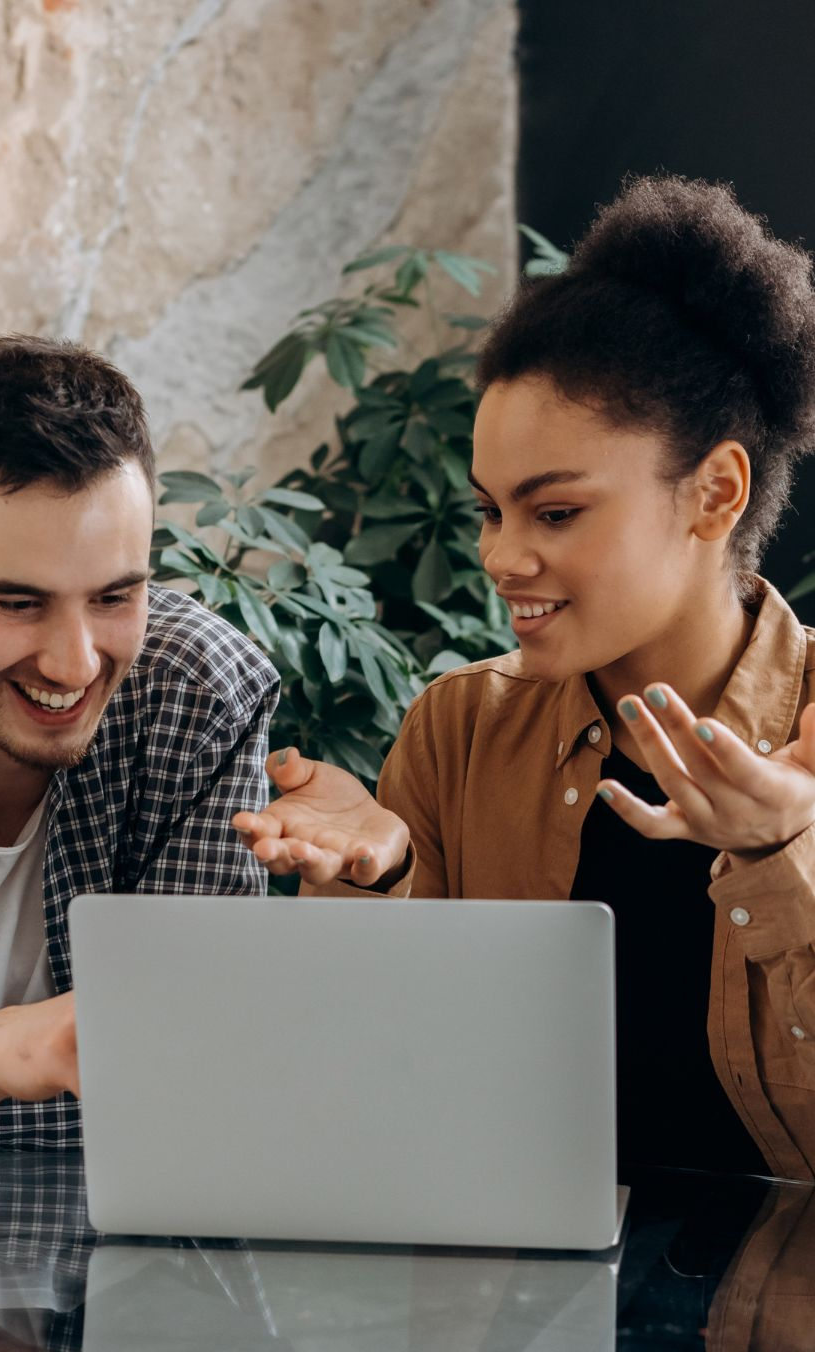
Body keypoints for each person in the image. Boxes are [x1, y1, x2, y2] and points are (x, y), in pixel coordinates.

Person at [234, 175, 815, 1181]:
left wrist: (777, 851)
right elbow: (394, 1100)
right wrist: (378, 885)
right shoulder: (458, 731)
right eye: (489, 511)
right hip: (516, 1320)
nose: (500, 558)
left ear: (715, 493)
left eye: (553, 514)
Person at [0, 335, 278, 1172]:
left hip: (121, 1266)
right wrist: (19, 1044)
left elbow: (199, 1086)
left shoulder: (202, 697)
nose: (75, 662)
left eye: (116, 596)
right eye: (19, 603)